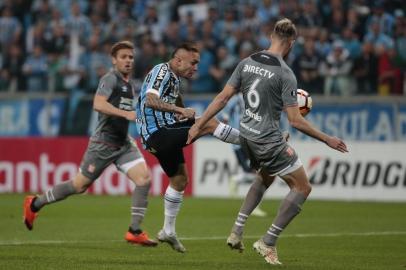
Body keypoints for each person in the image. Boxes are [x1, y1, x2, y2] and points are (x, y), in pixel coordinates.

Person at [187, 18, 348, 265]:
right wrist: (328, 139)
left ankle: (237, 230)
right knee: (303, 187)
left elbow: (222, 98)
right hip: (267, 140)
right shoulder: (285, 74)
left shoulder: (247, 62)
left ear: (271, 36)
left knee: (265, 175)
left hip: (247, 135)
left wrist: (199, 123)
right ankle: (268, 241)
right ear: (291, 43)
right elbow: (295, 120)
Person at [23, 41, 157, 247]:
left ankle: (134, 230)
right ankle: (35, 203)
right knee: (79, 185)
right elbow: (98, 104)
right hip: (103, 144)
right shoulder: (109, 79)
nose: (128, 60)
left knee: (144, 179)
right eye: (123, 57)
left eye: (131, 57)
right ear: (114, 60)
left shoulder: (129, 84)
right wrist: (127, 114)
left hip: (123, 144)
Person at [135, 42, 240, 253]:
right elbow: (150, 100)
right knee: (209, 122)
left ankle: (168, 231)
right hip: (157, 135)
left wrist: (180, 109)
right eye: (193, 63)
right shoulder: (161, 71)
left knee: (180, 179)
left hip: (162, 133)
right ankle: (257, 141)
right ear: (178, 60)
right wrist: (179, 110)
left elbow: (175, 98)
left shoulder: (174, 78)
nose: (196, 68)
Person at [219, 92, 267, 217]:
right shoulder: (237, 100)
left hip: (249, 142)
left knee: (258, 174)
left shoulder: (254, 99)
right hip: (239, 143)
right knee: (258, 174)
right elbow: (224, 117)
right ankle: (255, 207)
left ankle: (236, 179)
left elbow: (224, 117)